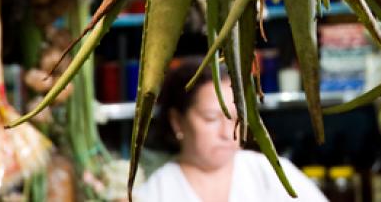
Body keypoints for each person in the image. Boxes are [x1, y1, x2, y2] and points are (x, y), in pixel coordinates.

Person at [133, 56, 328, 202]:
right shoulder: (155, 192)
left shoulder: (268, 172)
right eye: (211, 118)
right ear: (177, 121)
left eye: (236, 119)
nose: (227, 134)